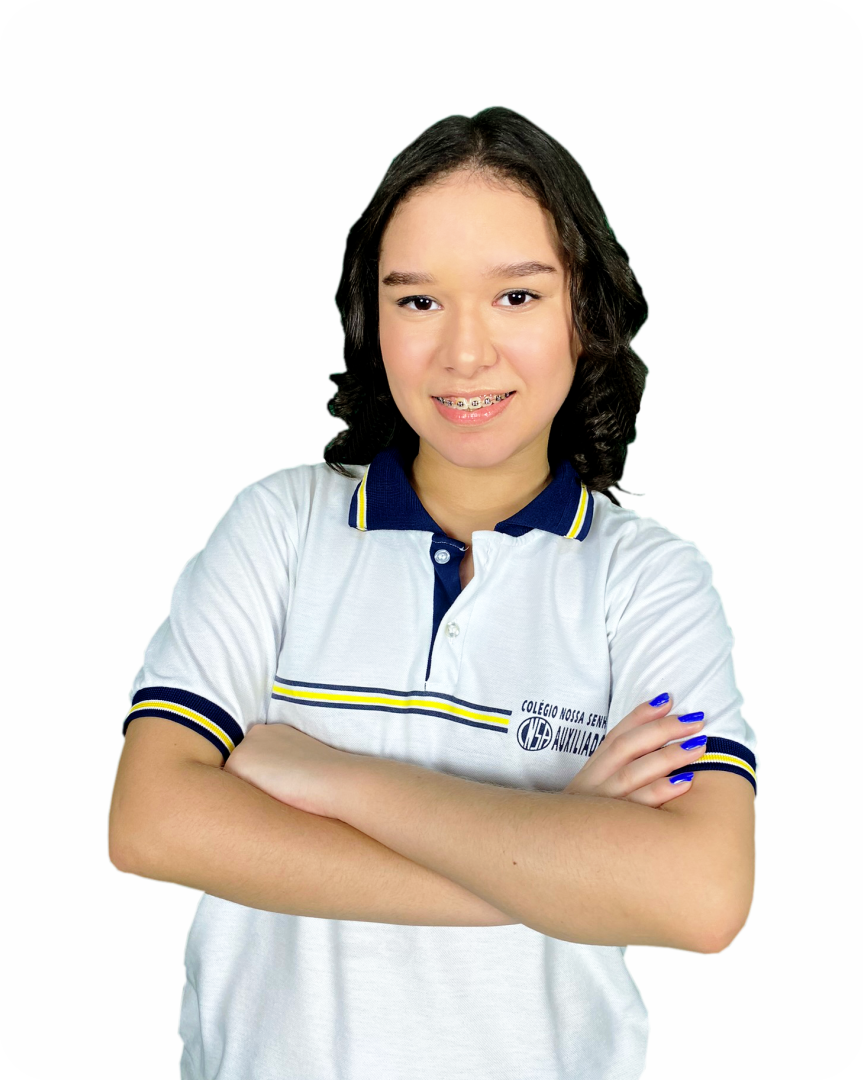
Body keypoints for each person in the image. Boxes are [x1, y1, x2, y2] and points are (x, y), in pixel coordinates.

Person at [109, 106, 756, 1080]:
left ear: (585, 312)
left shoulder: (646, 582)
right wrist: (553, 857)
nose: (463, 353)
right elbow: (151, 823)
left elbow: (699, 897)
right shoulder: (282, 527)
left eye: (516, 296)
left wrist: (339, 780)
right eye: (417, 301)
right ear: (370, 320)